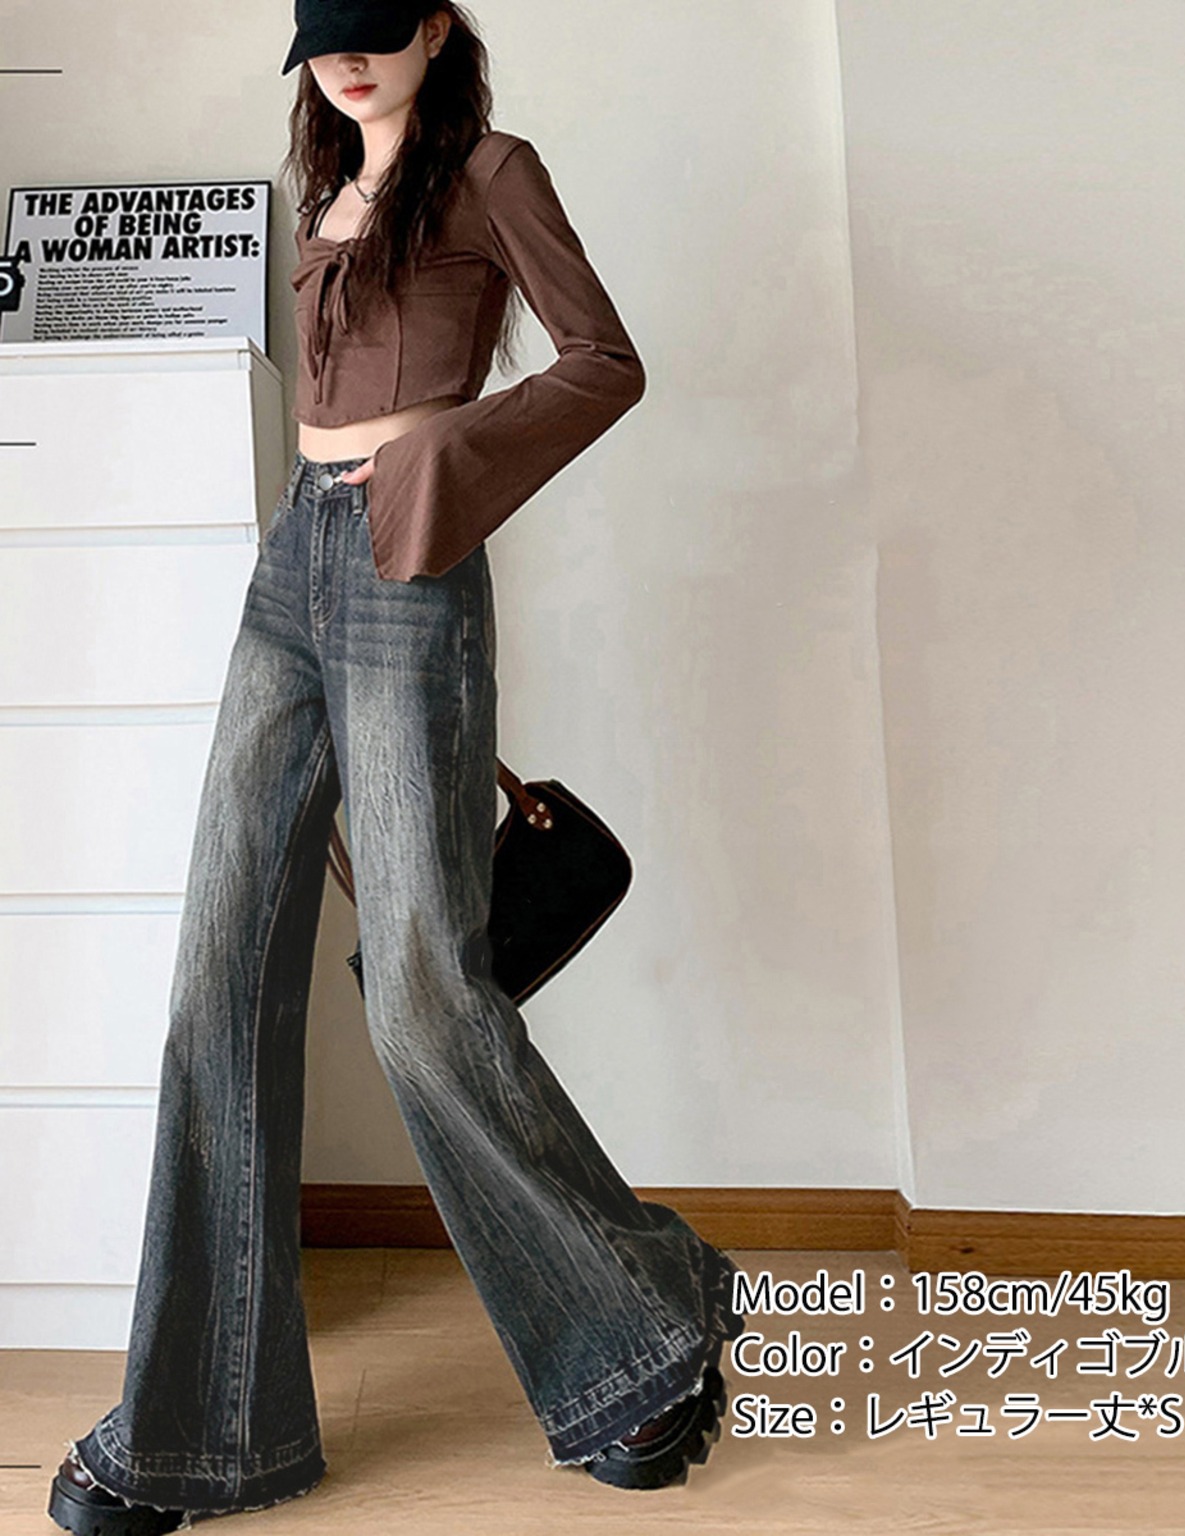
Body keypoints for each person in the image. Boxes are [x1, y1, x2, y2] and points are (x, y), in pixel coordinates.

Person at [46, 3, 745, 1532]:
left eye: (376, 26)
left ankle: (639, 1323)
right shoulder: (328, 186)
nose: (348, 58)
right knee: (216, 975)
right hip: (289, 569)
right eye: (325, 36)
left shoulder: (493, 172)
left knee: (424, 986)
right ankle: (198, 1429)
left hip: (409, 569)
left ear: (435, 26)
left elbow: (605, 361)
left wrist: (445, 456)